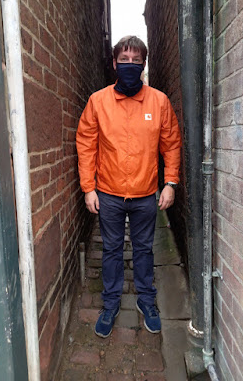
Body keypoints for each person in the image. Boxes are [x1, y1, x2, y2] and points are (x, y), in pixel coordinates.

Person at [76, 36, 182, 338]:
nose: (130, 66)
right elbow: (86, 144)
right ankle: (110, 304)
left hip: (146, 194)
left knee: (144, 250)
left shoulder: (158, 101)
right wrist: (88, 188)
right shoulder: (98, 102)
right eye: (124, 60)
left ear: (144, 64)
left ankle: (146, 301)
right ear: (114, 63)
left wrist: (170, 183)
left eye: (136, 61)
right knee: (110, 250)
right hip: (108, 194)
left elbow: (171, 144)